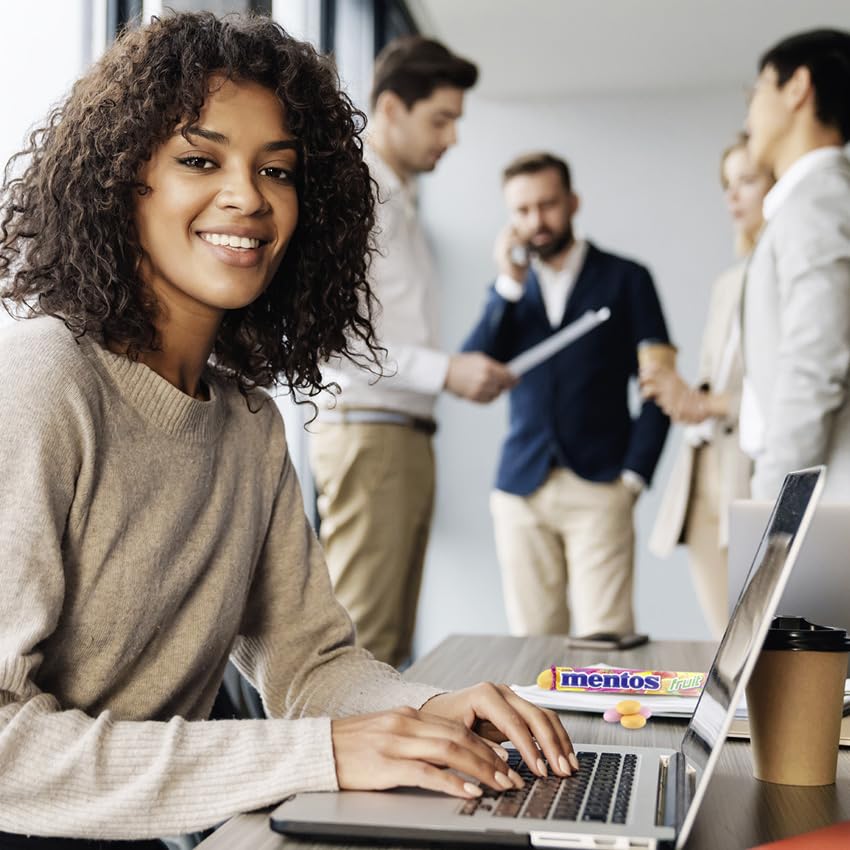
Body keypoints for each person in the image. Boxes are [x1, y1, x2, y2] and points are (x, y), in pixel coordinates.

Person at [0, 13, 576, 846]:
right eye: (201, 160)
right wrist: (312, 754)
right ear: (123, 180)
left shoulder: (248, 423)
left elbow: (311, 664)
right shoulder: (44, 378)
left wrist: (424, 713)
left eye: (278, 170)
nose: (250, 197)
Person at [309, 36, 515, 668]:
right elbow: (333, 338)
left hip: (400, 434)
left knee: (389, 645)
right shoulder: (361, 195)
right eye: (441, 119)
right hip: (373, 434)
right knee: (364, 644)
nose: (452, 138)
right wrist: (445, 371)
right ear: (392, 109)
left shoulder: (399, 200)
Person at [462, 152, 671, 637]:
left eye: (548, 205)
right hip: (521, 487)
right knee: (532, 644)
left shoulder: (627, 278)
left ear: (573, 202)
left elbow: (660, 384)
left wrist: (635, 476)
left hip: (601, 484)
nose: (537, 221)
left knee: (607, 640)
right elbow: (472, 369)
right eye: (522, 211)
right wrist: (507, 286)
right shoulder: (510, 292)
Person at [643, 136, 773, 639]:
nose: (732, 196)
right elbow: (715, 382)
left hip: (753, 472)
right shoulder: (729, 283)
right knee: (727, 641)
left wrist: (706, 402)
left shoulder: (797, 276)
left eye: (747, 180)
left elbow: (797, 391)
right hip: (701, 477)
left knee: (767, 642)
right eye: (726, 184)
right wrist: (680, 393)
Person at [739, 28, 850, 501]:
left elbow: (814, 363)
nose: (748, 115)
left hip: (819, 499)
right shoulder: (812, 201)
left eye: (756, 91)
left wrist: (773, 506)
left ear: (797, 87)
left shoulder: (819, 200)